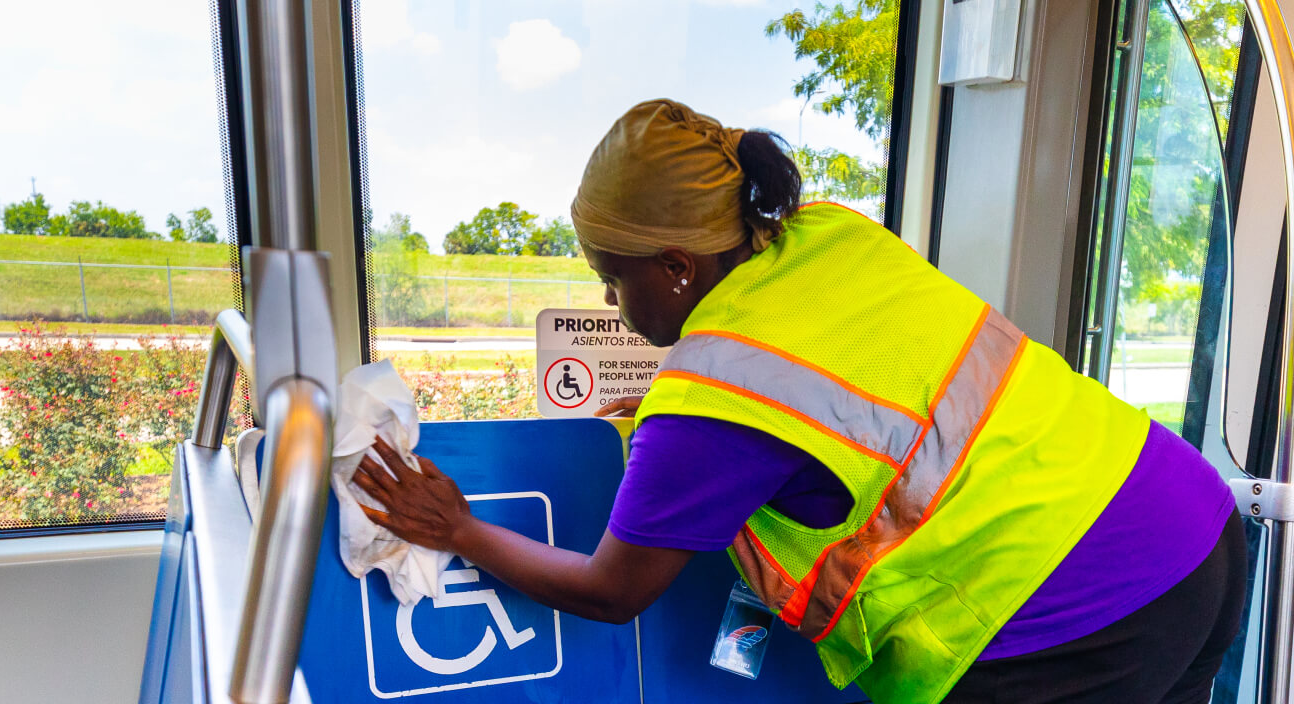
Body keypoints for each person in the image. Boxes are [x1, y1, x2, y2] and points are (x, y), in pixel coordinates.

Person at [351, 99, 1246, 704]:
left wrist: (458, 529)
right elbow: (842, 390)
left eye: (614, 280)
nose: (612, 307)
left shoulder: (712, 395)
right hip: (1190, 516)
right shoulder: (828, 236)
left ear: (677, 267)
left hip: (1073, 615)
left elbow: (611, 590)